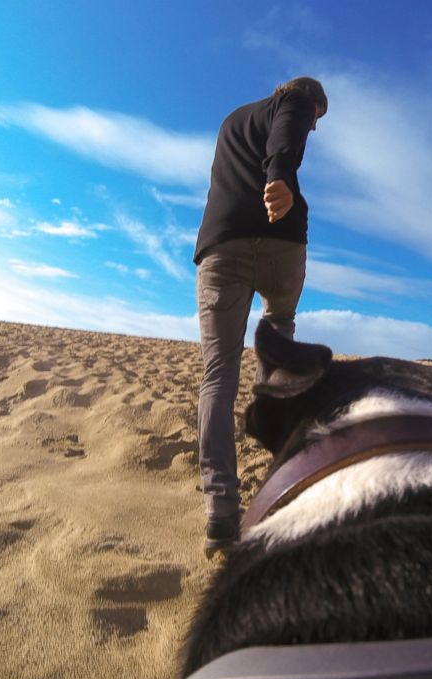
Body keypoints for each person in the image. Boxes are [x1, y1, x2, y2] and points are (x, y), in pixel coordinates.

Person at [193, 77, 327, 555]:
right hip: (280, 241)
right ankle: (282, 490)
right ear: (306, 100)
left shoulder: (231, 121)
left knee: (218, 371)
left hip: (223, 245)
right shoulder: (293, 102)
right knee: (280, 352)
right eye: (318, 119)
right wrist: (279, 176)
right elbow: (287, 129)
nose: (313, 126)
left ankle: (221, 510)